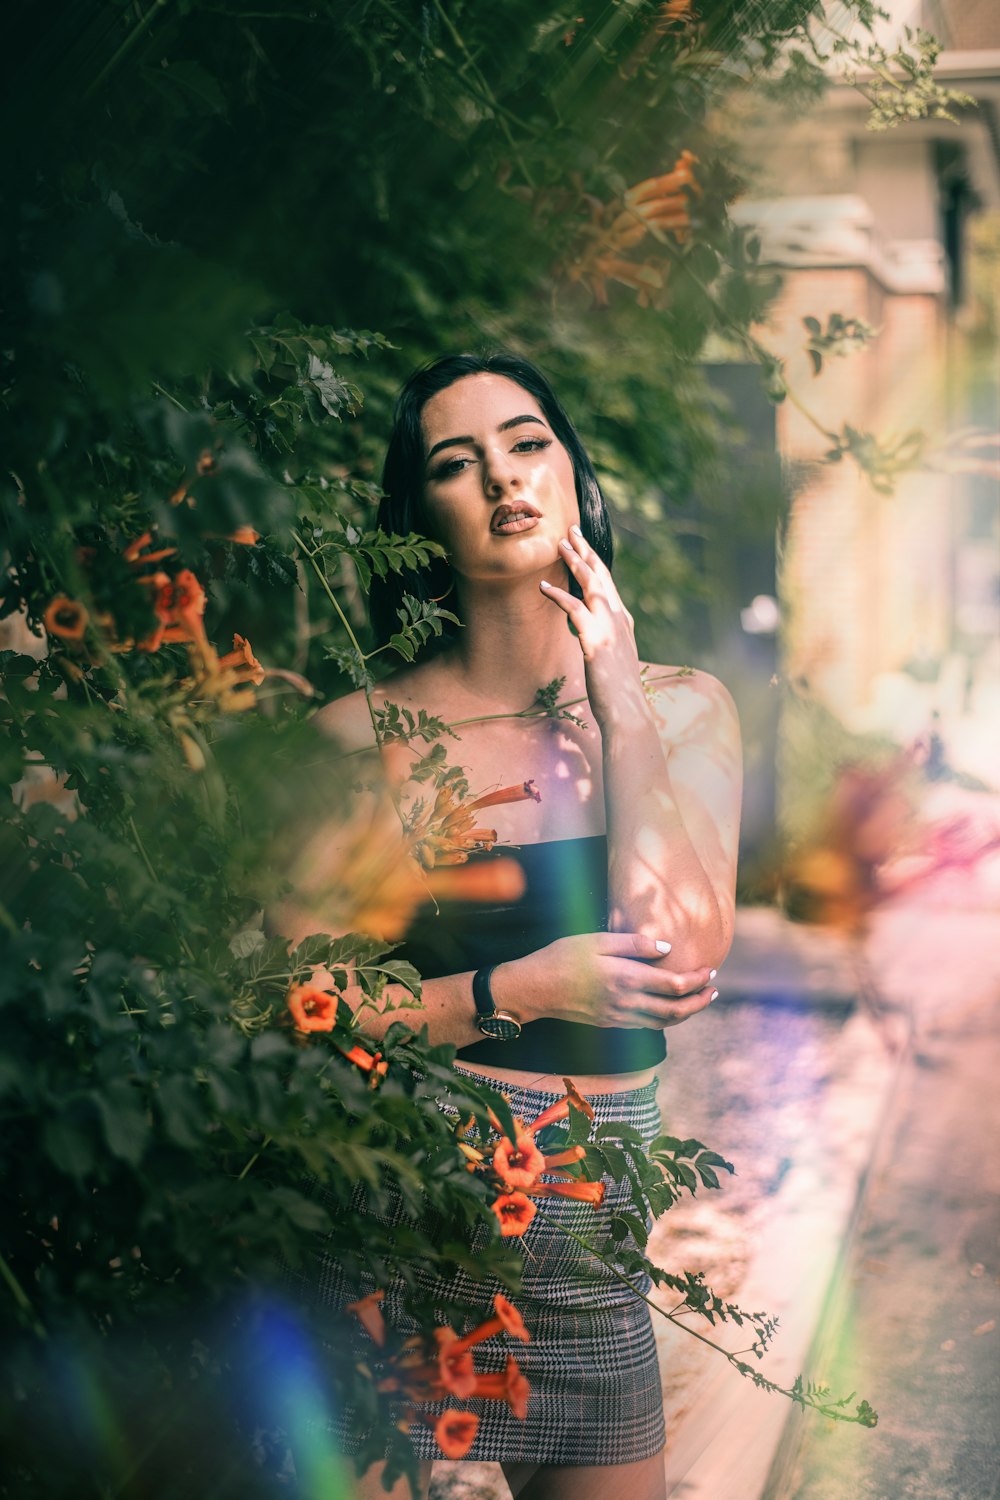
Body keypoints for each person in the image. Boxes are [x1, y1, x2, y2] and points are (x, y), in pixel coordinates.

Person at [309, 350, 742, 1500]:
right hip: (390, 1219)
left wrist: (617, 701)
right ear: (419, 518)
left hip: (587, 1247)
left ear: (572, 475)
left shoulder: (682, 709)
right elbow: (288, 1006)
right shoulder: (362, 739)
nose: (501, 474)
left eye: (526, 441)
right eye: (457, 462)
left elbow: (682, 950)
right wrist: (519, 992)